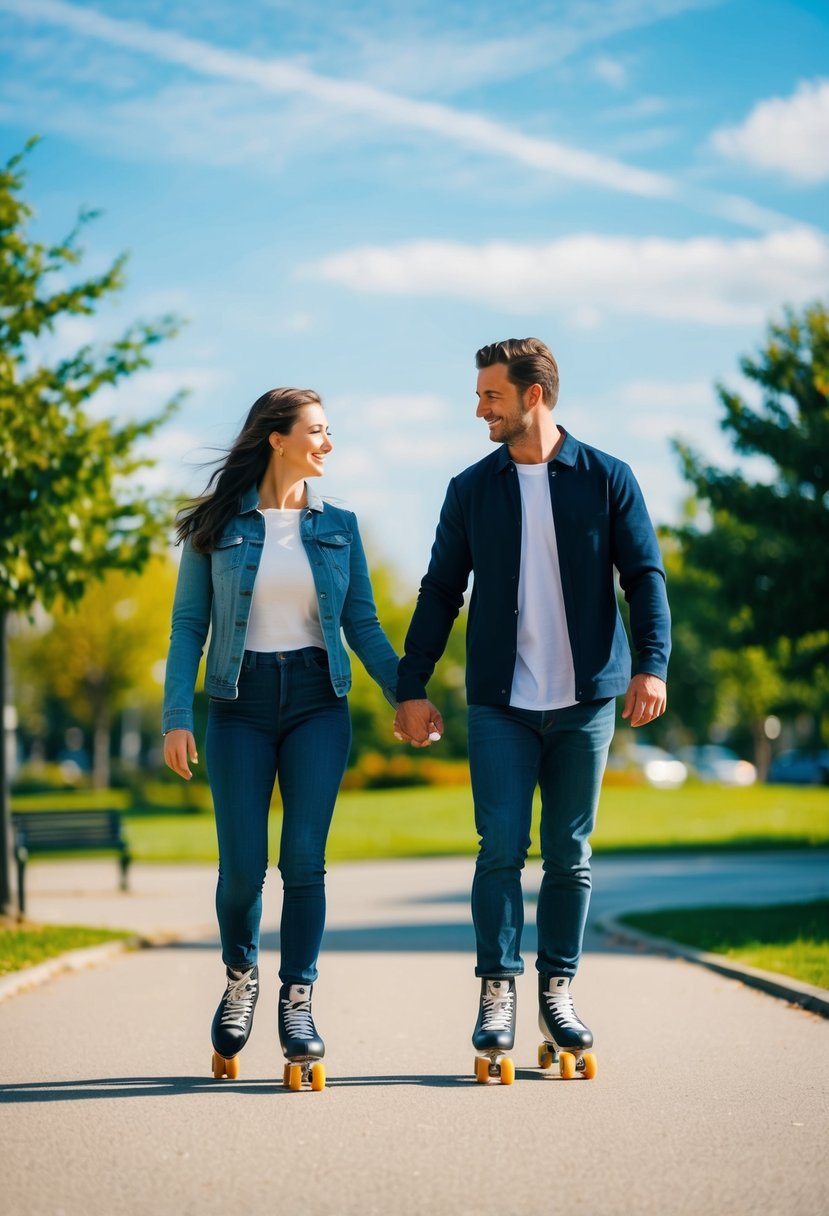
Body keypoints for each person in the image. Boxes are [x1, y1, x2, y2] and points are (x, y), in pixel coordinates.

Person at [393, 338, 670, 1078]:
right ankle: (496, 992)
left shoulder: (606, 478)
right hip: (501, 703)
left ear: (533, 397)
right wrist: (410, 686)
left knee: (569, 855)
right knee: (500, 849)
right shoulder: (471, 488)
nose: (479, 408)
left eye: (491, 395)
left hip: (585, 701)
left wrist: (652, 665)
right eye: (481, 394)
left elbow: (643, 576)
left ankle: (558, 990)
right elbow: (439, 590)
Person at [162, 388, 399, 1086]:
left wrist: (405, 693)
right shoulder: (217, 526)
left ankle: (298, 1001)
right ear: (277, 438)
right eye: (317, 431)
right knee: (241, 869)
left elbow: (363, 627)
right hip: (236, 704)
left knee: (303, 860)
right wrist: (178, 714)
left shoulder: (341, 527)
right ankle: (241, 978)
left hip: (316, 704)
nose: (328, 444)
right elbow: (186, 628)